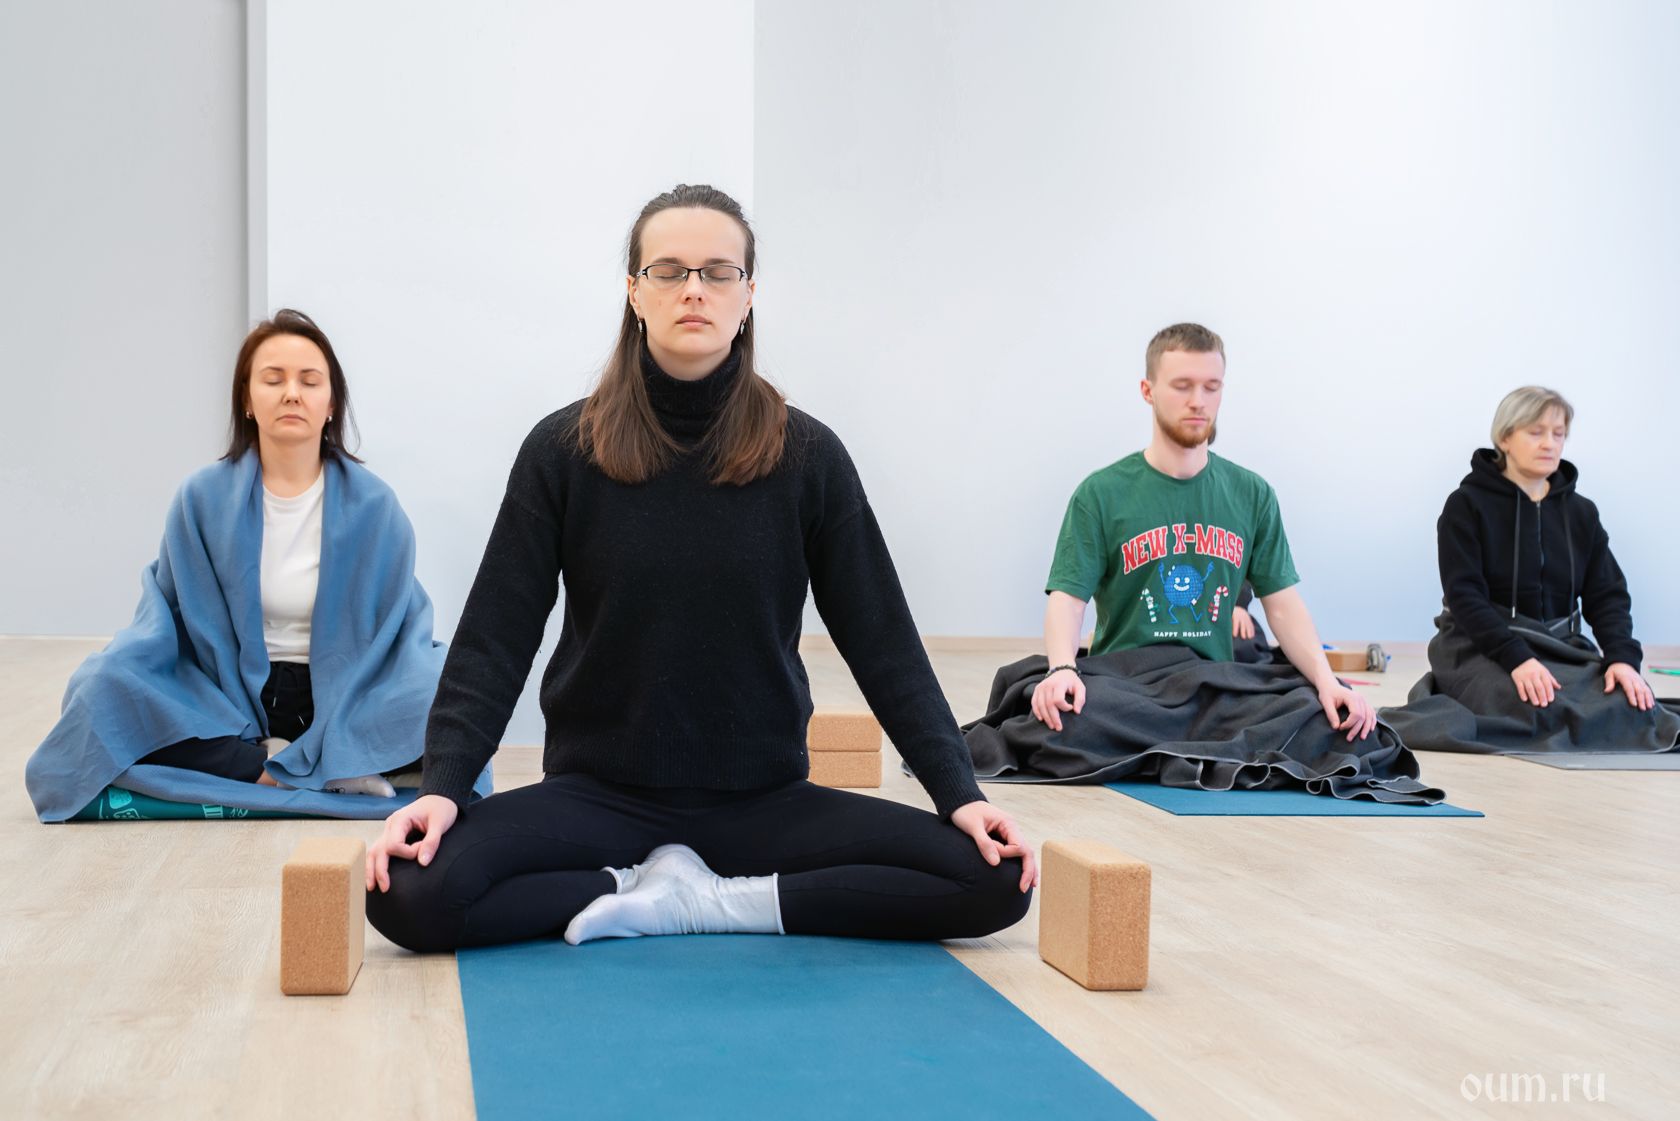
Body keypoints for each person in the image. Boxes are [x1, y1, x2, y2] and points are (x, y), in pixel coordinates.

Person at [364, 184, 1035, 952]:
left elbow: (884, 641)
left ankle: (716, 901)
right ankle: (627, 886)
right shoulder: (562, 451)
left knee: (993, 876)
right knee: (409, 892)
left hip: (764, 803)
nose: (694, 289)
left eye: (718, 272)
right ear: (634, 291)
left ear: (747, 296)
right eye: (669, 270)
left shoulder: (808, 456)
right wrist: (443, 788)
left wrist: (959, 793)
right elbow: (494, 637)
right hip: (597, 799)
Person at [25, 311, 460, 822]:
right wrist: (125, 673)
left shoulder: (375, 505)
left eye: (309, 381)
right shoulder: (201, 497)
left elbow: (400, 628)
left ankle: (310, 759)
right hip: (227, 699)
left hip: (347, 697)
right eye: (273, 380)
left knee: (447, 688)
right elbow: (164, 615)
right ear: (247, 400)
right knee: (103, 685)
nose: (292, 394)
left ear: (331, 404)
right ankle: (298, 769)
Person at [1031, 323, 1374, 740]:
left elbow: (1283, 605)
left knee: (1331, 719)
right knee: (1056, 719)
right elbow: (1068, 601)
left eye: (1212, 387)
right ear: (1148, 391)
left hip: (1212, 688)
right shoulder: (1100, 494)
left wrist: (1326, 680)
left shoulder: (1252, 494)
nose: (1198, 401)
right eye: (1182, 386)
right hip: (1126, 685)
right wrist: (1062, 669)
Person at [1381, 387, 1676, 754]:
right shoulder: (1465, 505)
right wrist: (1517, 658)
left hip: (1559, 648)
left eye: (1558, 433)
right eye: (1536, 432)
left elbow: (1607, 596)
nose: (1549, 443)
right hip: (1480, 647)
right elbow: (1464, 596)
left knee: (1629, 703)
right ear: (1504, 438)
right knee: (1540, 708)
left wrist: (1622, 659)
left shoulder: (1582, 513)